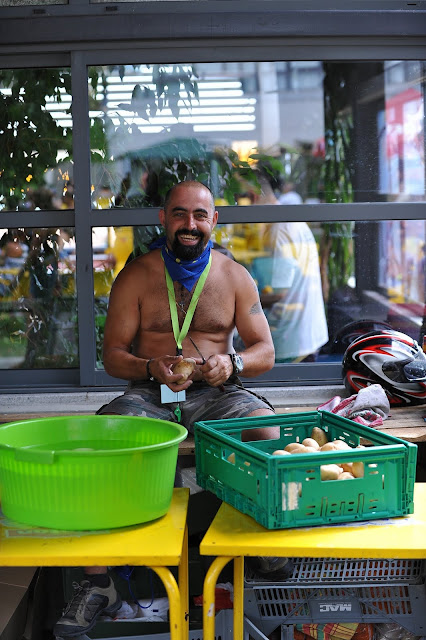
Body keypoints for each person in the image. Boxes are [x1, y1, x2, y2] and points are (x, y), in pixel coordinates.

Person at [54, 180, 278, 638]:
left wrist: (230, 362)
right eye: (180, 214)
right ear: (164, 219)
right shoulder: (136, 275)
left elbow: (265, 353)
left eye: (199, 215)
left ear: (214, 220)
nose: (189, 225)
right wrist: (150, 365)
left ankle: (262, 549)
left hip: (218, 393)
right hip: (149, 394)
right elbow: (113, 355)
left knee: (265, 431)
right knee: (106, 443)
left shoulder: (235, 276)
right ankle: (98, 583)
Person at [252, 173, 329, 362]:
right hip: (305, 334)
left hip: (293, 341)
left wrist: (242, 301)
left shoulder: (280, 229)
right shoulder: (286, 219)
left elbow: (279, 293)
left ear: (252, 197)